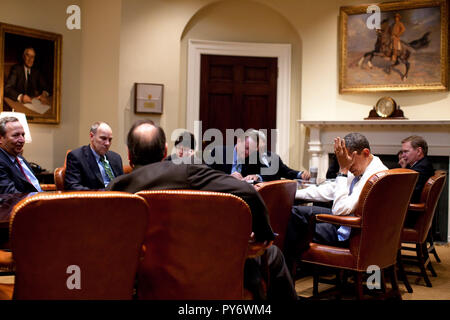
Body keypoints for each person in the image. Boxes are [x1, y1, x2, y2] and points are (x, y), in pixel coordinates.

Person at [107, 120, 297, 300]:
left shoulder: (115, 188)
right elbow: (248, 192)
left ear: (129, 155)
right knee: (272, 254)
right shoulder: (186, 172)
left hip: (142, 276)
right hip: (201, 265)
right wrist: (264, 235)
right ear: (165, 151)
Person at [283, 133, 388, 274]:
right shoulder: (364, 166)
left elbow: (339, 210)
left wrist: (343, 171)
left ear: (365, 153)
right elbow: (331, 190)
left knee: (295, 228)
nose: (349, 166)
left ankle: (287, 276)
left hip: (354, 234)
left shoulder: (375, 177)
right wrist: (291, 193)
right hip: (352, 222)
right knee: (294, 212)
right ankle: (296, 269)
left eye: (350, 161)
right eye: (344, 162)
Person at [64, 121, 123, 190]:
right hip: (95, 199)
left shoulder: (116, 158)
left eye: (110, 140)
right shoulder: (76, 157)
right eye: (103, 138)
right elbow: (73, 187)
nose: (107, 143)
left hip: (119, 198)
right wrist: (102, 193)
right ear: (92, 136)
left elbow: (123, 184)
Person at [0, 117, 43, 193]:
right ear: (1, 138)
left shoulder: (19, 158)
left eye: (23, 135)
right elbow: (10, 194)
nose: (22, 140)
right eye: (16, 135)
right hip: (26, 203)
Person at [398, 135, 434, 204]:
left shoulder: (421, 169)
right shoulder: (421, 164)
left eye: (406, 151)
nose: (403, 155)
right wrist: (404, 168)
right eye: (402, 152)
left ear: (418, 151)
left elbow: (404, 192)